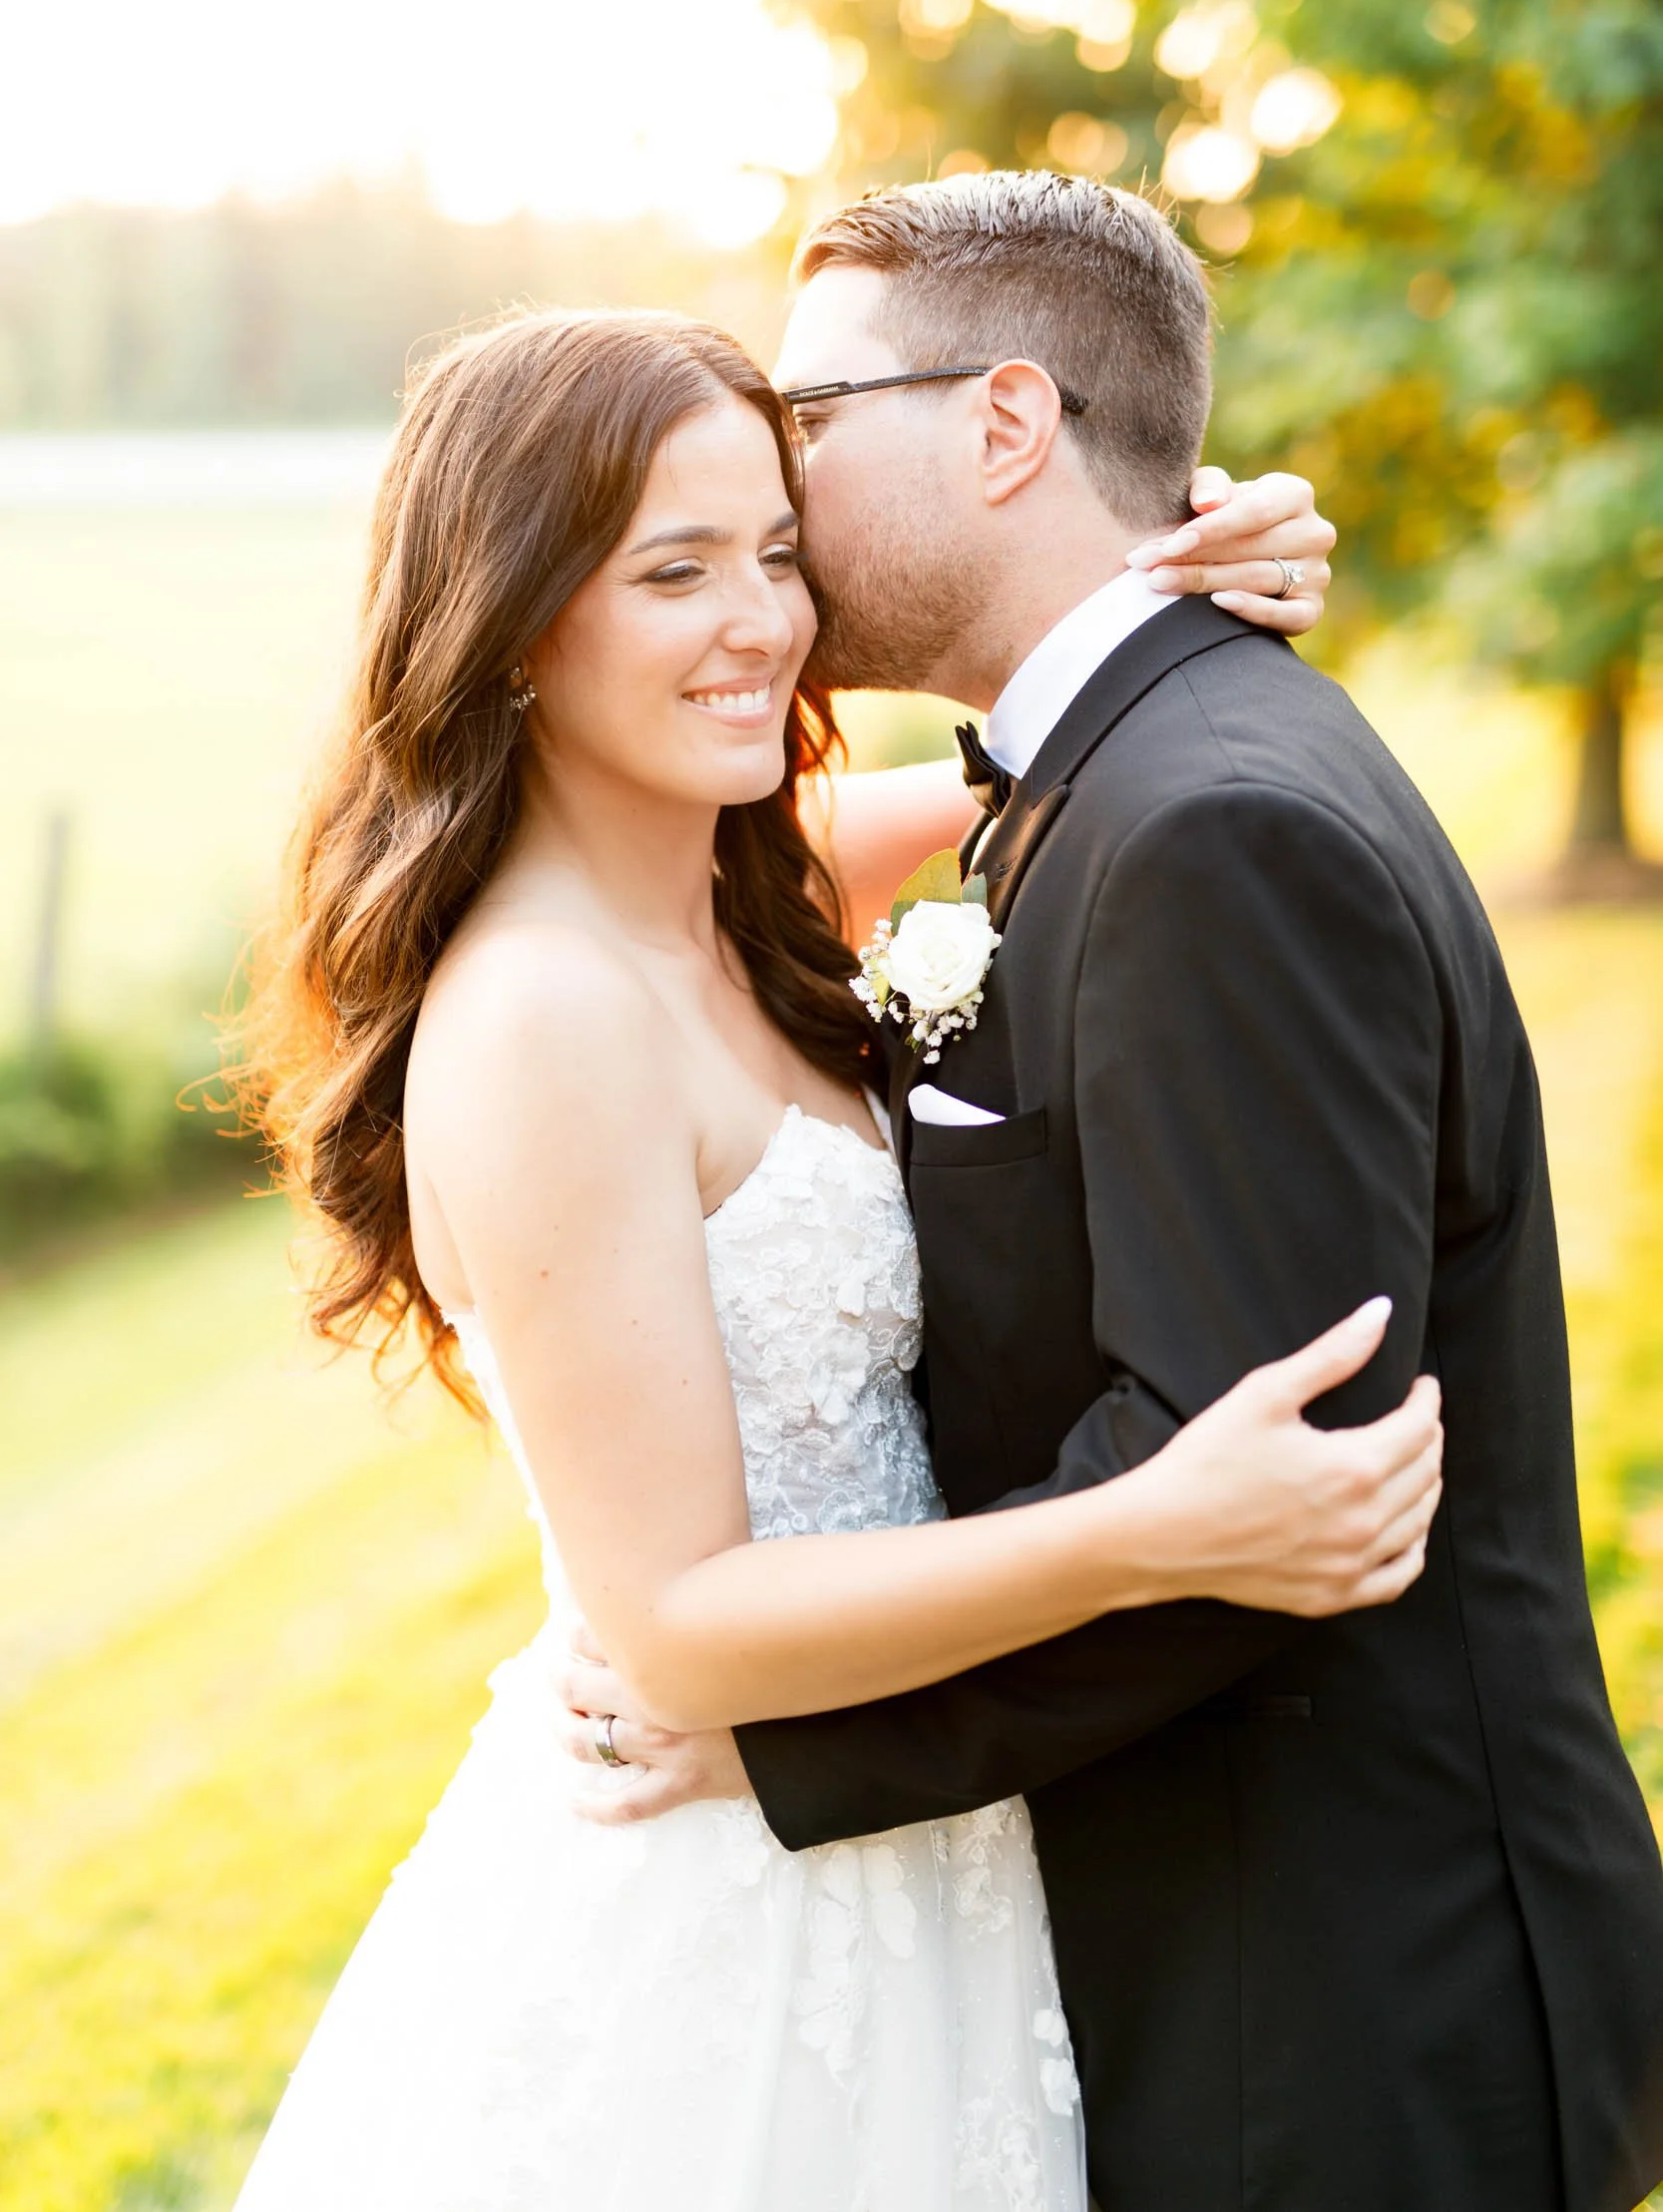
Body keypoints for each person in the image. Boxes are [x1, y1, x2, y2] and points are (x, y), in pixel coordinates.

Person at [233, 297, 1441, 2210]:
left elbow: (1074, 733)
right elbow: (672, 1625)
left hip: (926, 1847)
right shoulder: (543, 1014)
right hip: (714, 1903)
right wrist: (1162, 1523)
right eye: (675, 569)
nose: (763, 624)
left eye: (777, 553)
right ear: (515, 619)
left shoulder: (745, 881)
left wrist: (1203, 556)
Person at [566, 175, 1663, 2212]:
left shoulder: (1203, 827)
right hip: (1227, 1952)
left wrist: (789, 1742)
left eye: (808, 416)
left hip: (1338, 2003)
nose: (774, 481)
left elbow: (1254, 1490)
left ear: (1003, 421)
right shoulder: (1085, 774)